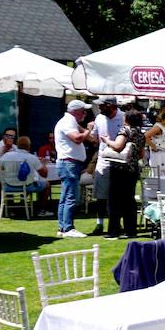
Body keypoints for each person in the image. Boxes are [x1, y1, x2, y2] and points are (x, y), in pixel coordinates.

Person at [53, 100, 97, 238]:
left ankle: (62, 227)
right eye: (84, 111)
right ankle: (68, 228)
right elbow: (77, 139)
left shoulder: (71, 122)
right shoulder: (67, 122)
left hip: (69, 163)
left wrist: (89, 131)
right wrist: (89, 129)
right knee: (72, 197)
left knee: (65, 196)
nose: (85, 114)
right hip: (69, 164)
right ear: (77, 111)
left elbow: (89, 138)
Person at [101, 111, 145, 239]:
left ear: (127, 119)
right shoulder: (140, 134)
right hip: (132, 169)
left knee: (114, 201)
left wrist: (107, 140)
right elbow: (141, 154)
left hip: (119, 169)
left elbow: (118, 146)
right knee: (129, 201)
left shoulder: (125, 130)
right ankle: (130, 230)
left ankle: (113, 231)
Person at [88, 97, 124, 234]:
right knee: (101, 194)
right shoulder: (99, 118)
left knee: (117, 194)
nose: (100, 108)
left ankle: (116, 222)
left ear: (110, 106)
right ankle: (100, 223)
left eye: (102, 106)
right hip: (103, 159)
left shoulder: (122, 117)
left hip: (119, 160)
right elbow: (94, 139)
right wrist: (88, 132)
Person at [0, 135, 50, 208]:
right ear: (29, 146)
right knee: (46, 184)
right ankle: (41, 209)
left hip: (8, 186)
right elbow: (44, 174)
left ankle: (7, 208)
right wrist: (43, 164)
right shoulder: (32, 157)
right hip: (27, 186)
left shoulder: (6, 156)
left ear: (17, 145)